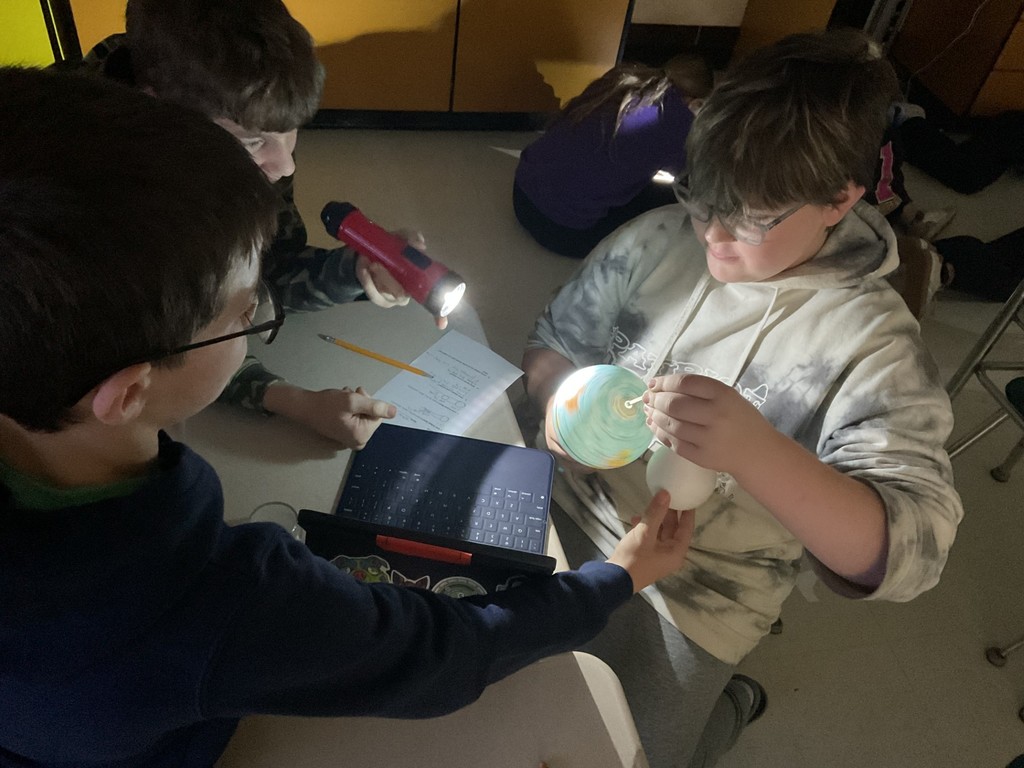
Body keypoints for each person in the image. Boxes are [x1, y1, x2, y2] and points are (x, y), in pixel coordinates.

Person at [0, 66, 693, 768]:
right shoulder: (217, 601)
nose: (260, 318)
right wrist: (615, 577)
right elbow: (446, 652)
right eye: (247, 313)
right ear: (126, 394)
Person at [521, 29, 964, 767]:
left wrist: (757, 451)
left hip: (703, 592)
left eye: (751, 217)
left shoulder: (869, 345)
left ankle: (729, 705)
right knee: (465, 677)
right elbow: (554, 339)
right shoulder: (658, 241)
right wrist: (557, 405)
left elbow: (911, 552)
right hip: (566, 510)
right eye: (700, 198)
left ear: (839, 199)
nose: (713, 236)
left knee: (615, 754)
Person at [81, 0, 436, 450]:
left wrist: (356, 269)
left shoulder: (237, 109)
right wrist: (291, 401)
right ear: (161, 113)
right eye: (254, 142)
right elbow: (165, 355)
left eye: (292, 130)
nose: (285, 165)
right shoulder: (90, 202)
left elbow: (273, 269)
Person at [513, 52, 713, 259]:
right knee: (671, 200)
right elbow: (696, 179)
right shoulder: (678, 122)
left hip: (521, 194)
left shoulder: (623, 79)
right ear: (696, 101)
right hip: (563, 232)